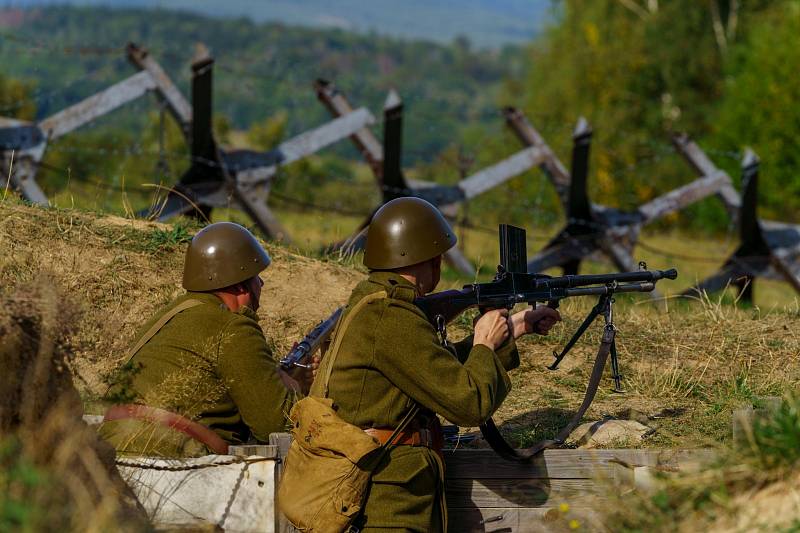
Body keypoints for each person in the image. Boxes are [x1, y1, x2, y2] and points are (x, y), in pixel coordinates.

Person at [309, 197, 561, 531]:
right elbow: (468, 404)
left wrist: (513, 328)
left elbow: (431, 372)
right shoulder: (392, 319)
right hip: (387, 507)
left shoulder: (377, 306)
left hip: (390, 495)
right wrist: (484, 344)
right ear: (431, 260)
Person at [100, 222, 313, 457]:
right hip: (171, 458)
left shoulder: (171, 314)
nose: (261, 284)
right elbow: (274, 424)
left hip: (110, 448)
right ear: (242, 286)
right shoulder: (234, 326)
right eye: (256, 278)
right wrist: (295, 388)